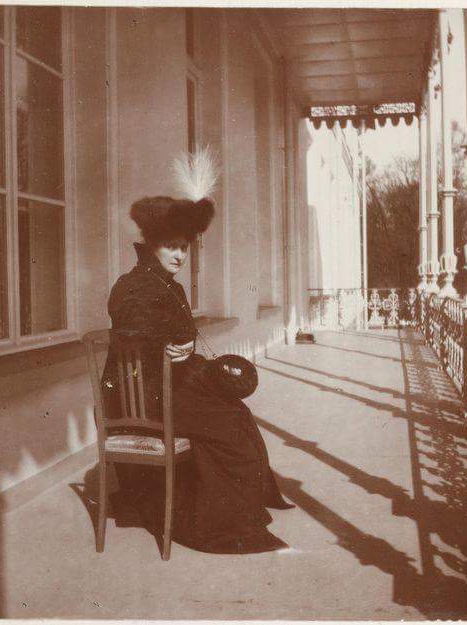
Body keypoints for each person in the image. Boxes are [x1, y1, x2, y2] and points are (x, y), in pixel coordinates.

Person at [101, 151, 292, 554]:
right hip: (145, 396)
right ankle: (222, 520)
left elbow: (173, 337)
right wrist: (163, 347)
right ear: (151, 245)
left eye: (184, 247)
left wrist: (183, 348)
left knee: (235, 411)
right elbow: (130, 333)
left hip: (169, 385)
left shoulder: (168, 285)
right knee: (227, 426)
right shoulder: (133, 285)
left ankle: (242, 506)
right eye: (170, 246)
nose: (179, 255)